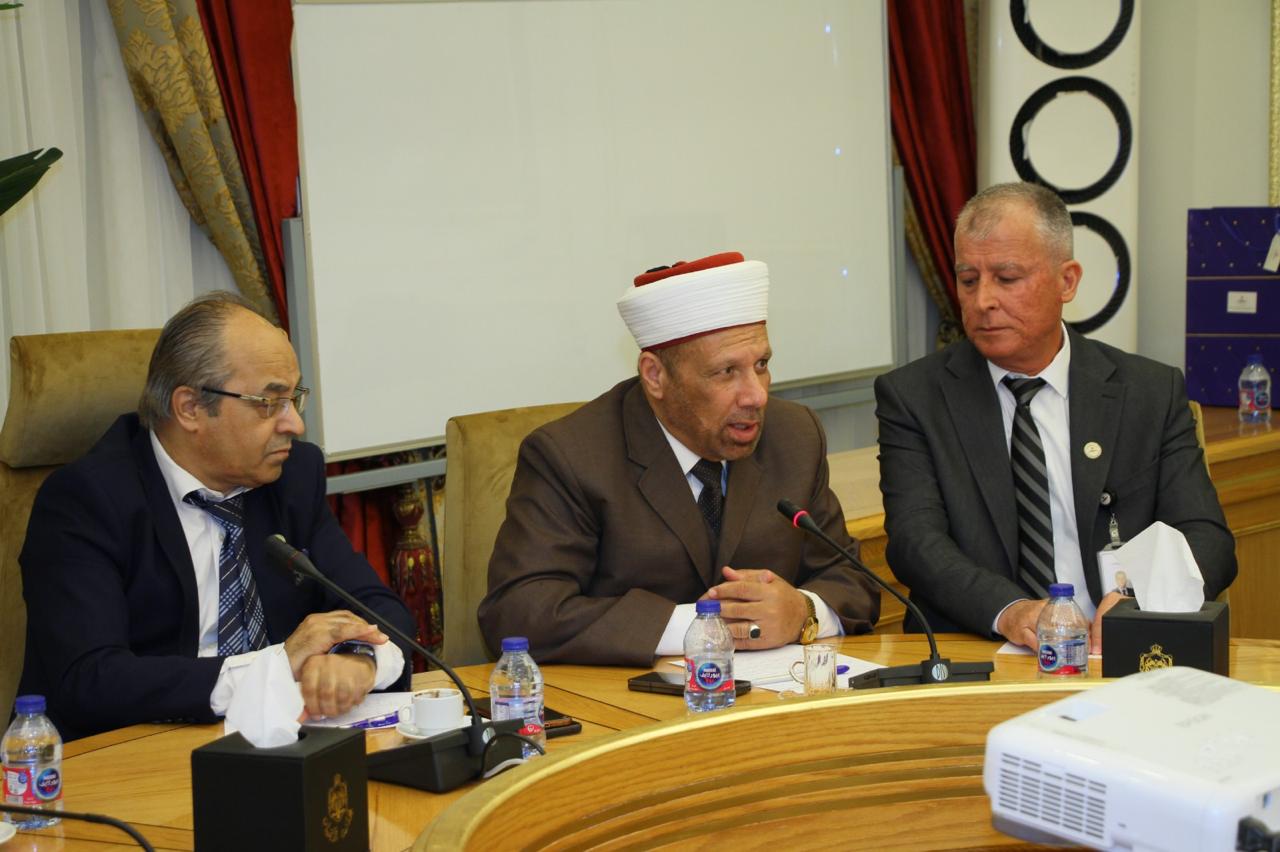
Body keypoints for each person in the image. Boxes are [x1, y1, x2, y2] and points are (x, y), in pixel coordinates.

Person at [17, 293, 415, 740]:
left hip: (274, 747)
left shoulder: (292, 477)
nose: (295, 425)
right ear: (190, 408)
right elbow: (89, 679)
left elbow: (379, 608)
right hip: (134, 749)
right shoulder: (86, 500)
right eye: (269, 402)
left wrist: (358, 658)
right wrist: (276, 666)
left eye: (294, 398)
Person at [874, 182, 1236, 652]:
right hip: (983, 648)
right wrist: (1011, 610)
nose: (982, 301)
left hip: (1123, 650)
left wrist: (1139, 599)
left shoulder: (1148, 391)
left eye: (1007, 278)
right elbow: (916, 544)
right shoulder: (915, 397)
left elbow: (1207, 539)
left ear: (1067, 281)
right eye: (968, 280)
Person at [478, 252, 879, 665]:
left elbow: (852, 580)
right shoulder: (571, 457)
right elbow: (519, 612)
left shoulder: (794, 435)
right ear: (655, 376)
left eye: (761, 364)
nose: (757, 395)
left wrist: (802, 612)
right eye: (726, 372)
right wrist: (705, 628)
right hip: (620, 698)